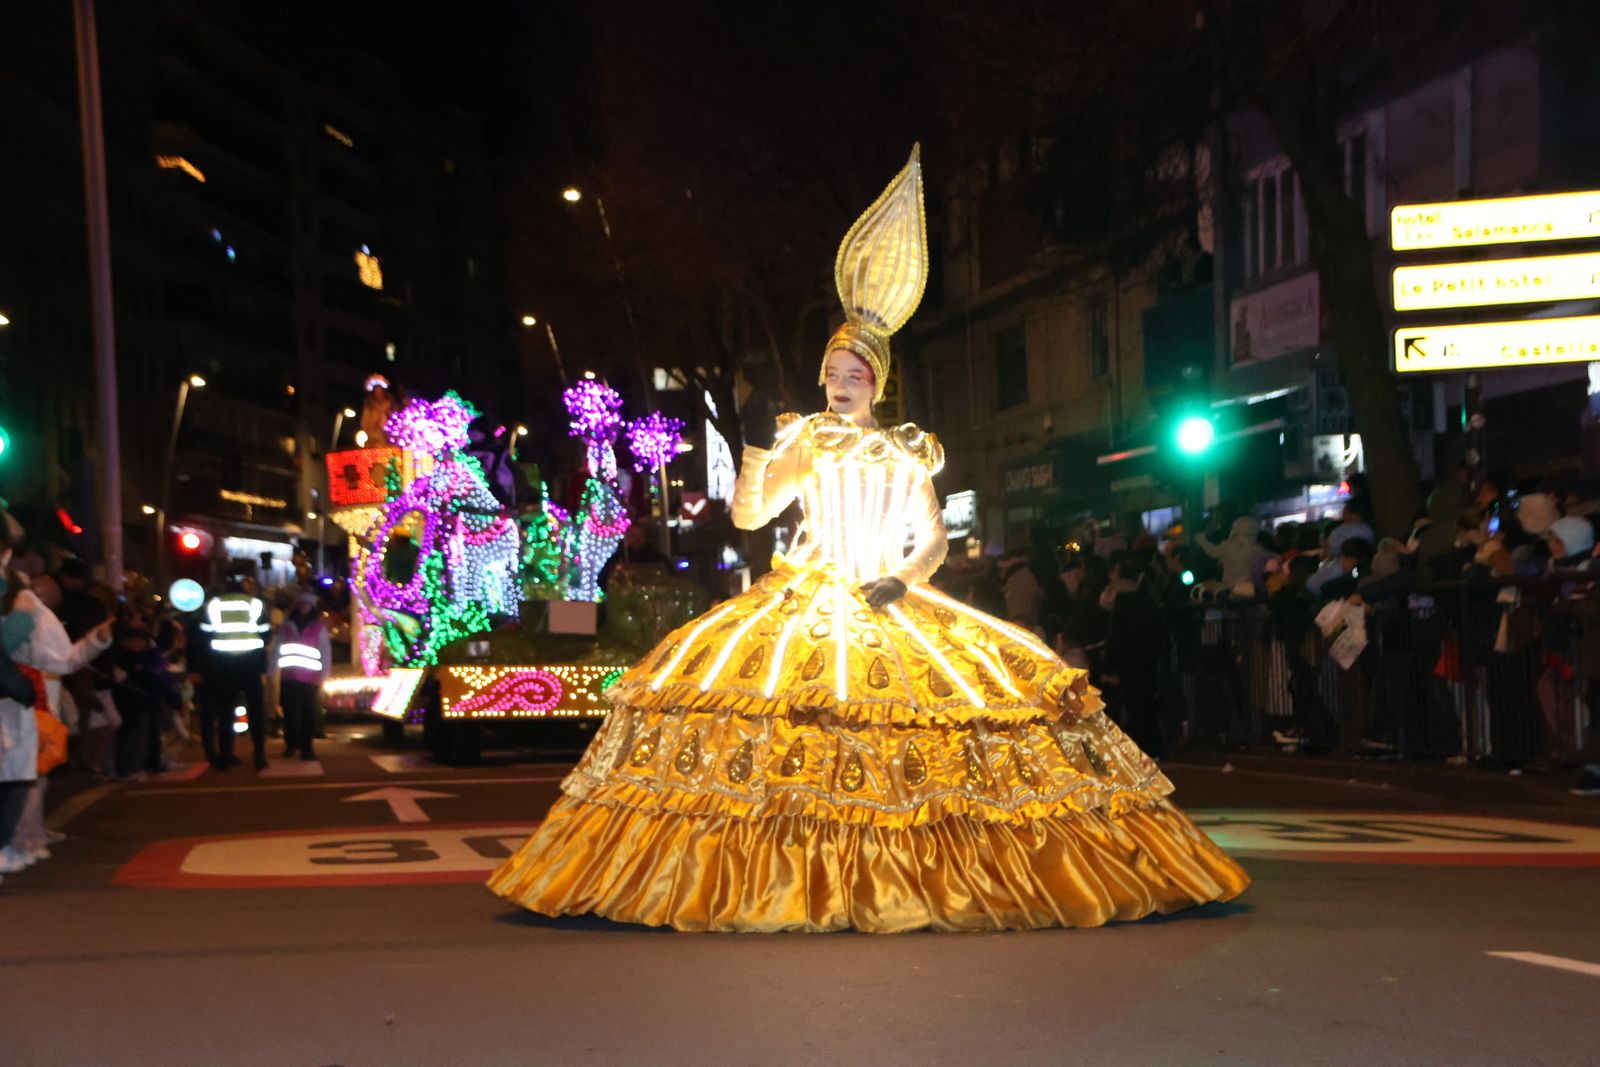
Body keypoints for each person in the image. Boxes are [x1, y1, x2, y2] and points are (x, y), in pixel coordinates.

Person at [488, 147, 1248, 931]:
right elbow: (750, 516)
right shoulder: (805, 439)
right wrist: (756, 450)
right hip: (806, 593)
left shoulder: (907, 453)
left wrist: (902, 579)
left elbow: (933, 540)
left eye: (855, 373)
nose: (840, 382)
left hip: (889, 596)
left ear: (877, 381)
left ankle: (908, 872)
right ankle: (797, 875)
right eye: (833, 371)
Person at [0, 511, 112, 878]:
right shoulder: (21, 607)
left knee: (20, 781)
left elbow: (57, 658)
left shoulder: (22, 605)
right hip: (17, 703)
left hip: (19, 708)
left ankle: (15, 842)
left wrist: (94, 641)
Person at [195, 570, 271, 770]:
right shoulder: (255, 604)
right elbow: (265, 633)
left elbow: (204, 634)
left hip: (223, 663)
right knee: (256, 709)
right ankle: (259, 754)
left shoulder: (214, 605)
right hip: (250, 662)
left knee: (226, 710)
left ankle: (226, 754)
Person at [272, 589, 331, 760]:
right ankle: (291, 744)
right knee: (289, 712)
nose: (304, 607)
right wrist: (272, 669)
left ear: (311, 607)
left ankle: (306, 747)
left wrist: (324, 674)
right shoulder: (287, 626)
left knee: (308, 713)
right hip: (289, 676)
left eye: (307, 604)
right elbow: (277, 649)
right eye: (302, 604)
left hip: (310, 678)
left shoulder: (318, 627)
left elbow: (325, 651)